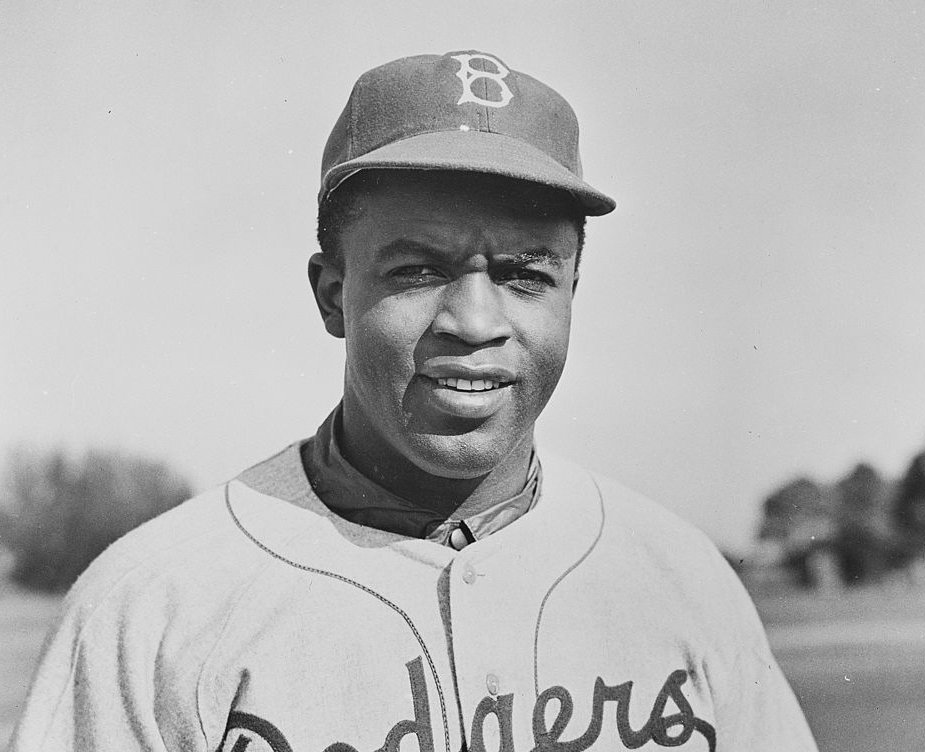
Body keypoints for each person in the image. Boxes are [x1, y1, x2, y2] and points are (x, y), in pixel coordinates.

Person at [10, 51, 817, 752]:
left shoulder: (680, 580)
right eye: (417, 270)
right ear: (333, 296)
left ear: (574, 290)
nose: (474, 322)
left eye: (524, 273)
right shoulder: (149, 608)